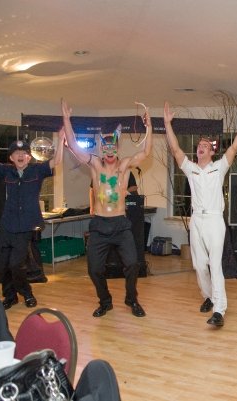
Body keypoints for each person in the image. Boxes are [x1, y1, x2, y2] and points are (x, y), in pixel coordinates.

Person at [163, 101, 237, 327]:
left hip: (214, 220)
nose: (200, 147)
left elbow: (234, 148)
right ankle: (209, 296)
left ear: (212, 151)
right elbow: (176, 150)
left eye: (205, 145)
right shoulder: (191, 169)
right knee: (200, 265)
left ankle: (219, 310)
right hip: (197, 220)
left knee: (215, 264)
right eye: (199, 145)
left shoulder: (219, 167)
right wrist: (167, 124)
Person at [61, 99, 152, 318]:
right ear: (102, 150)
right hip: (100, 225)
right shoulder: (95, 165)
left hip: (120, 224)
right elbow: (73, 145)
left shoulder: (125, 166)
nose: (109, 151)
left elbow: (146, 152)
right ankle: (105, 301)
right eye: (105, 147)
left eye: (113, 147)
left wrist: (149, 127)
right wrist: (66, 119)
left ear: (117, 149)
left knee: (133, 264)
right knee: (94, 269)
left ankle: (131, 299)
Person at [0, 118, 65, 310]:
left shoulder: (37, 171)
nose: (21, 155)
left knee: (16, 264)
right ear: (12, 158)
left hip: (25, 228)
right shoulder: (6, 172)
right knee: (3, 264)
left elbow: (57, 161)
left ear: (29, 157)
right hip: (6, 225)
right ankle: (10, 296)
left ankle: (27, 294)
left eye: (24, 153)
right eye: (17, 153)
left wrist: (61, 139)